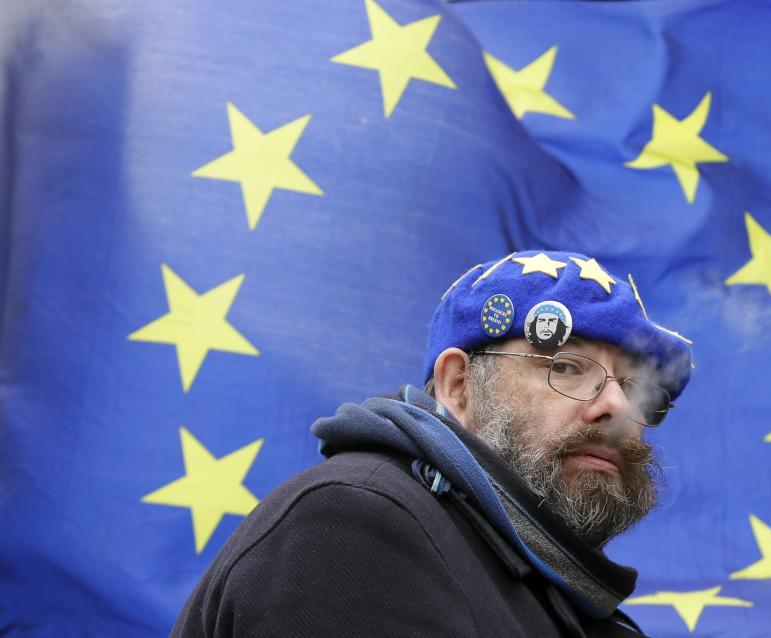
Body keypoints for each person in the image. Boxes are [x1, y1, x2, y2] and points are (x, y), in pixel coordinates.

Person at [171, 250, 693, 637]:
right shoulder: (357, 525)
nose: (617, 408)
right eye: (567, 368)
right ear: (458, 387)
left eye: (634, 387)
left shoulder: (571, 597)